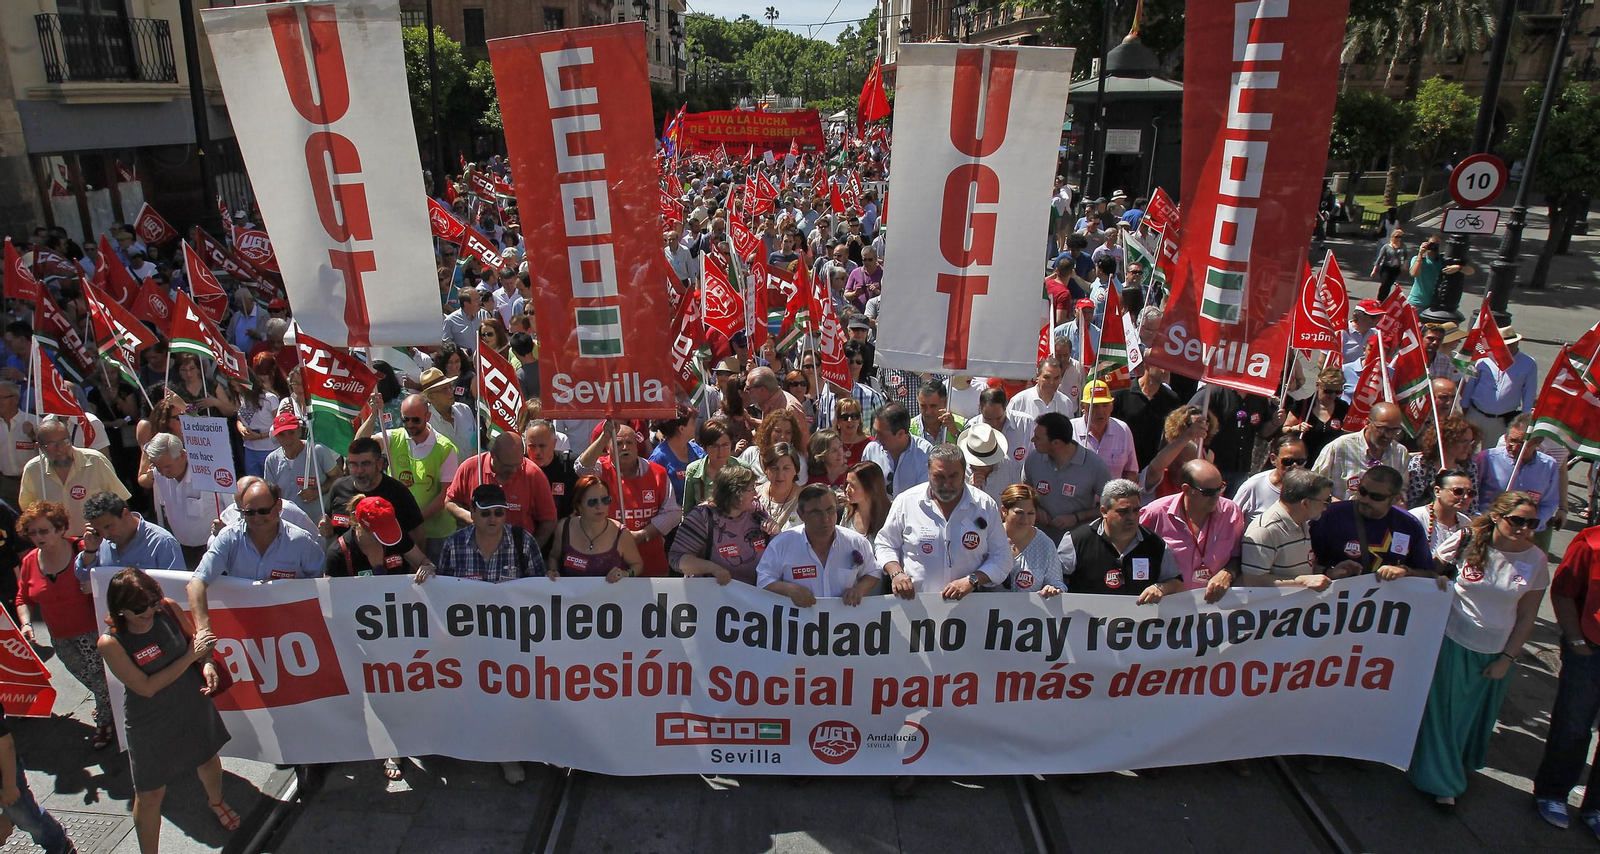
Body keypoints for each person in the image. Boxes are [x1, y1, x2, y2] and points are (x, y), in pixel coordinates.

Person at [1410, 492, 1547, 808]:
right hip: (1451, 641)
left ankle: (1452, 764)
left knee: (1470, 719)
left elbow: (1527, 616)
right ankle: (1443, 782)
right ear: (1498, 517)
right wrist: (1435, 581)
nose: (1524, 528)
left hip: (1496, 651)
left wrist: (1507, 659)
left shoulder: (1536, 560)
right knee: (1444, 715)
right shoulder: (1467, 539)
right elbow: (1429, 571)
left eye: (1532, 523)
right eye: (1517, 520)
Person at [98, 567, 236, 852]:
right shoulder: (111, 642)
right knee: (149, 794)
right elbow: (146, 687)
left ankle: (217, 801)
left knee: (208, 758)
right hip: (149, 720)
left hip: (191, 702)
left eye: (152, 601)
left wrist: (207, 662)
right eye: (140, 608)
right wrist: (190, 657)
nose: (150, 611)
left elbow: (198, 644)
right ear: (121, 610)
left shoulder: (168, 610)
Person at [16, 501, 113, 749]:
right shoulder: (29, 562)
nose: (38, 537)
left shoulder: (81, 548)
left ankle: (105, 722)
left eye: (44, 530)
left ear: (60, 529)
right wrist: (26, 623)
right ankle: (111, 703)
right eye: (33, 532)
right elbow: (23, 597)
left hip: (91, 630)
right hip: (59, 636)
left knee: (99, 675)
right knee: (82, 673)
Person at [187, 480, 325, 638]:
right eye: (250, 512)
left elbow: (320, 585)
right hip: (245, 627)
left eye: (264, 511)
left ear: (279, 507)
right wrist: (204, 630)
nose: (257, 518)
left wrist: (284, 588)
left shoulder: (301, 541)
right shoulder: (228, 538)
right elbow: (196, 584)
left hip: (293, 628)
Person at [874, 444, 1010, 600]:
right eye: (939, 476)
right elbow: (885, 544)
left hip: (970, 607)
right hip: (916, 606)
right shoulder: (906, 502)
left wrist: (972, 580)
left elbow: (1002, 557)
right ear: (928, 472)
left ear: (964, 472)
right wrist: (896, 574)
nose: (946, 484)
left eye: (953, 476)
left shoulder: (985, 505)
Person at [1533, 524, 1600, 831]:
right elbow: (1562, 592)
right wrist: (1575, 640)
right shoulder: (1591, 543)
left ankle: (1595, 809)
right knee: (1573, 726)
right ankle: (1552, 793)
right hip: (1589, 651)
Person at [360, 393, 461, 560]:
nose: (410, 424)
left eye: (415, 420)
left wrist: (415, 521)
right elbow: (360, 447)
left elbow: (445, 495)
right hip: (400, 532)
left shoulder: (445, 448)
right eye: (405, 419)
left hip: (435, 534)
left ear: (427, 417)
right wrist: (372, 415)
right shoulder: (393, 438)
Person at [575, 421, 681, 576]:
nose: (625, 447)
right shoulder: (600, 470)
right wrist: (605, 435)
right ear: (608, 447)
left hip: (650, 565)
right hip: (607, 565)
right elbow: (581, 468)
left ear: (637, 446)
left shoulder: (658, 473)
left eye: (629, 442)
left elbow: (673, 513)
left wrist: (642, 535)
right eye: (618, 443)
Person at [757, 483, 880, 606]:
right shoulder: (781, 544)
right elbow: (763, 580)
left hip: (844, 621)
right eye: (816, 513)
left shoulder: (855, 542)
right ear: (801, 515)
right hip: (800, 622)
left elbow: (872, 572)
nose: (825, 518)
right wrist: (789, 590)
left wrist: (859, 590)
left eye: (830, 510)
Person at [1138, 460, 1244, 601]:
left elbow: (1238, 556)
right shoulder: (1154, 514)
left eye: (1220, 489)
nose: (1217, 497)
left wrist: (1227, 573)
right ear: (1187, 489)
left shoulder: (1231, 512)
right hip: (1166, 608)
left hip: (1213, 609)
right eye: (1208, 492)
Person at [1062, 479, 1183, 601]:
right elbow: (1057, 582)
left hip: (1139, 618)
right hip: (1087, 619)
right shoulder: (1076, 541)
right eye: (1123, 511)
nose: (1131, 517)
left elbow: (1177, 583)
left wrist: (1161, 588)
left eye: (1136, 510)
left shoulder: (1155, 544)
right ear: (1104, 511)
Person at [1308, 466, 1435, 580]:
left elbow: (1428, 573)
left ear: (1395, 499)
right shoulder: (1330, 516)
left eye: (1376, 497)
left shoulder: (1409, 525)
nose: (1365, 499)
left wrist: (1405, 571)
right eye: (1362, 491)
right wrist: (1329, 572)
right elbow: (1304, 564)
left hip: (1387, 603)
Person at [443, 432, 557, 546]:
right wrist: (473, 519)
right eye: (507, 466)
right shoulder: (470, 468)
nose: (513, 470)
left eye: (518, 465)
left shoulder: (533, 474)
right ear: (492, 455)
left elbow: (549, 520)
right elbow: (450, 502)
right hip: (475, 549)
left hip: (516, 551)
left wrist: (530, 550)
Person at [20, 417, 129, 535]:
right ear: (39, 447)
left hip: (96, 540)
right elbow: (29, 511)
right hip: (56, 545)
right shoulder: (33, 470)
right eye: (52, 444)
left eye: (65, 442)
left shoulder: (95, 461)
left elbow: (119, 502)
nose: (61, 449)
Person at [669, 466, 772, 586]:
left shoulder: (756, 510)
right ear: (736, 493)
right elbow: (676, 558)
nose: (756, 494)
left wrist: (773, 531)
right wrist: (713, 568)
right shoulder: (703, 516)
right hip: (714, 597)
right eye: (751, 489)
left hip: (752, 596)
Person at [1236, 469, 1335, 590]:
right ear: (1305, 503)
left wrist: (1328, 572)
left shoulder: (1303, 523)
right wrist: (1301, 581)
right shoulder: (1264, 531)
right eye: (1326, 501)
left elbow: (1301, 570)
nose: (1327, 507)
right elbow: (1253, 582)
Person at [0, 692, 74, 852]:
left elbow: (5, 745)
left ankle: (60, 845)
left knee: (27, 816)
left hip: (5, 774)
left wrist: (9, 786)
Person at [1023, 412, 1111, 543]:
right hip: (1039, 541)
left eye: (1038, 438)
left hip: (1077, 543)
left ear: (1056, 443)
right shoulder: (1033, 460)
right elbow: (1024, 490)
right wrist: (1035, 508)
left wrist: (1076, 517)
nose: (1032, 440)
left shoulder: (1094, 465)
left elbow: (1111, 505)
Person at [1474, 415, 1561, 546]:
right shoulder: (1486, 459)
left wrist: (1530, 525)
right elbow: (1471, 496)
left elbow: (1549, 503)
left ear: (1537, 443)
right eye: (1511, 440)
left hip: (1525, 536)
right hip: (1487, 531)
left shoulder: (1548, 466)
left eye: (1521, 444)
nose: (1514, 447)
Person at [323, 438, 425, 546]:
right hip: (346, 561)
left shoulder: (397, 492)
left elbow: (418, 535)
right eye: (353, 464)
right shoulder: (338, 487)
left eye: (365, 464)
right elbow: (327, 520)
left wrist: (417, 562)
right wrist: (327, 528)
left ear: (380, 463)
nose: (359, 470)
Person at [137, 434, 217, 567]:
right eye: (158, 467)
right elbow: (163, 506)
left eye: (167, 466)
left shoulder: (209, 474)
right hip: (180, 548)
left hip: (211, 549)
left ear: (183, 455)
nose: (163, 472)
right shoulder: (158, 474)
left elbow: (231, 508)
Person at [546, 475, 643, 580]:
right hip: (572, 595)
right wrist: (553, 571)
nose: (599, 506)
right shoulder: (564, 528)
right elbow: (553, 557)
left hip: (608, 595)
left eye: (605, 500)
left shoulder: (621, 533)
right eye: (592, 502)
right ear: (578, 505)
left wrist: (625, 574)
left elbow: (637, 565)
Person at [1311, 401, 1408, 502]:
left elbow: (1402, 490)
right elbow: (1314, 485)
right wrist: (1336, 504)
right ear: (1367, 423)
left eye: (1394, 430)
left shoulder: (1400, 453)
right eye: (1383, 429)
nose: (1388, 435)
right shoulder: (1339, 447)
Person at [75, 492, 184, 580]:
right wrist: (90, 551)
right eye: (98, 530)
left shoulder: (162, 543)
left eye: (108, 526)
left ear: (125, 514)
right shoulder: (98, 541)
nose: (105, 534)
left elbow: (175, 587)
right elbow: (84, 577)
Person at [1460, 326, 1539, 446]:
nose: (1505, 348)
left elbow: (1529, 393)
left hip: (1501, 420)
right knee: (1465, 448)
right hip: (1476, 413)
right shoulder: (1484, 359)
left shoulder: (1528, 364)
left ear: (1516, 343)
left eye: (1510, 344)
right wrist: (1465, 405)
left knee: (1491, 454)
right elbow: (1472, 383)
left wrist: (1524, 420)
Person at [323, 495, 432, 579]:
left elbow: (423, 561)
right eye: (382, 533)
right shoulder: (337, 553)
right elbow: (328, 598)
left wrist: (427, 567)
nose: (389, 536)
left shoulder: (397, 537)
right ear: (363, 527)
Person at [262, 413, 342, 525]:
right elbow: (271, 492)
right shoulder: (272, 460)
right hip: (288, 525)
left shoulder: (317, 451)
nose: (287, 438)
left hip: (319, 523)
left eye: (291, 432)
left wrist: (316, 492)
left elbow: (337, 477)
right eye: (281, 434)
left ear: (299, 431)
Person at [994, 484, 1064, 596]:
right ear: (1004, 511)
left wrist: (1052, 589)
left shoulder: (1045, 544)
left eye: (1030, 513)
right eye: (1019, 513)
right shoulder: (990, 537)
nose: (1025, 519)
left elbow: (1057, 583)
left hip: (1030, 613)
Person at [1405, 414, 1481, 509]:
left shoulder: (1469, 466)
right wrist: (1435, 484)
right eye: (1462, 442)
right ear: (1445, 441)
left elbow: (1472, 505)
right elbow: (1415, 503)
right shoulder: (1421, 463)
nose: (1468, 447)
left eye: (1470, 442)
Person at [1112, 365, 1181, 468]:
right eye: (1161, 365)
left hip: (1151, 469)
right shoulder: (1120, 393)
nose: (1166, 369)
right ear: (1147, 366)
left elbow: (1173, 435)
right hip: (1120, 465)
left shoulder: (1171, 399)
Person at [1231, 436, 1310, 523]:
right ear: (1273, 459)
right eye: (1287, 461)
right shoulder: (1253, 486)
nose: (1295, 466)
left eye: (1300, 462)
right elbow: (1231, 520)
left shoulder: (1312, 489)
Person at [861, 402, 933, 497]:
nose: (876, 438)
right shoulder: (871, 450)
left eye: (881, 434)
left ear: (900, 434)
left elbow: (925, 495)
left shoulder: (925, 453)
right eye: (875, 432)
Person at [1073, 381, 1139, 481]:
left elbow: (1131, 471)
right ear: (1083, 407)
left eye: (1105, 405)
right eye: (1095, 406)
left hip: (1113, 496)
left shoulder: (1123, 430)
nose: (1100, 411)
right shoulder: (1071, 430)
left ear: (1112, 406)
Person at [682, 418, 748, 510]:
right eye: (714, 446)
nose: (720, 451)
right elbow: (687, 510)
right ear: (705, 448)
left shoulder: (743, 468)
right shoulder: (693, 470)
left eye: (725, 445)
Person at [1290, 369, 1352, 465]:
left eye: (1337, 392)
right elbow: (1284, 429)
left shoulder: (1343, 408)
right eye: (1328, 391)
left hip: (1331, 463)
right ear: (1318, 385)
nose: (1332, 396)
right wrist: (1296, 428)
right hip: (1305, 463)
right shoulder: (1303, 405)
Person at [524, 419, 578, 522]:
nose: (537, 452)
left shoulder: (570, 465)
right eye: (532, 446)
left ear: (554, 444)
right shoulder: (519, 467)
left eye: (542, 446)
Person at [738, 409, 809, 484]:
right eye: (778, 431)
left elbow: (800, 492)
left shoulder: (800, 462)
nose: (782, 437)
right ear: (768, 432)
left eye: (788, 432)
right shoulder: (751, 454)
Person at [1413, 471, 1476, 555]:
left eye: (1470, 493)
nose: (1465, 497)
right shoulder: (1415, 518)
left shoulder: (1465, 522)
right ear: (1437, 491)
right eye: (1458, 491)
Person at [649, 409, 704, 503]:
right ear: (682, 429)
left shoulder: (696, 450)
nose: (695, 426)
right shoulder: (658, 458)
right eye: (692, 423)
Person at [1008, 356, 1082, 419]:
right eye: (1047, 377)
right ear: (1037, 376)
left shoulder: (1066, 403)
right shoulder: (1018, 402)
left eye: (1056, 378)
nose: (1051, 382)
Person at [0, 382, 38, 508]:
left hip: (31, 482)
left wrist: (33, 435)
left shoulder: (34, 421)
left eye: (1, 397)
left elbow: (47, 449)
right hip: (5, 484)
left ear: (15, 399)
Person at [842, 461, 891, 541]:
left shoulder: (891, 514)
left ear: (870, 488)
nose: (847, 489)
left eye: (853, 485)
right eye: (847, 484)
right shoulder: (848, 513)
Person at [907, 379, 965, 444]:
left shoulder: (962, 424)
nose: (928, 411)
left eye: (933, 406)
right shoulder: (908, 428)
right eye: (923, 406)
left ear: (945, 403)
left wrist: (955, 432)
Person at [833, 395, 873, 467]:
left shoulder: (871, 444)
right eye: (845, 417)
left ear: (859, 419)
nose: (850, 420)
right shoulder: (831, 445)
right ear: (838, 421)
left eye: (854, 416)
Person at [1372, 227, 1407, 302]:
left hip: (1396, 269)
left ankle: (1383, 300)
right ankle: (1379, 300)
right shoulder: (1386, 247)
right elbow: (1379, 258)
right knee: (1384, 284)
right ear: (1392, 237)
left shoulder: (1403, 246)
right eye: (1396, 237)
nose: (1398, 239)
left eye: (1400, 237)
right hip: (1386, 268)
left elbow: (1406, 256)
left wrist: (1404, 265)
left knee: (1389, 285)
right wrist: (1374, 269)